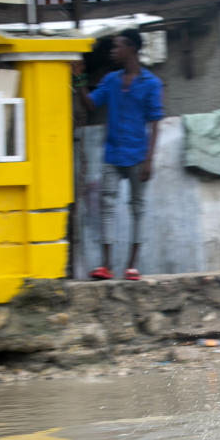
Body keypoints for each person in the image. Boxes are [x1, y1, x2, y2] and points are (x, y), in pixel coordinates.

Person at [73, 28, 164, 281]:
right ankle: (106, 266)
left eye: (117, 46)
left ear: (131, 49)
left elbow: (155, 122)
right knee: (108, 207)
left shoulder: (151, 83)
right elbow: (91, 104)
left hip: (137, 156)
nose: (113, 51)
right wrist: (79, 79)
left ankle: (132, 266)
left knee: (137, 209)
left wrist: (149, 159)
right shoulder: (111, 80)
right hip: (112, 155)